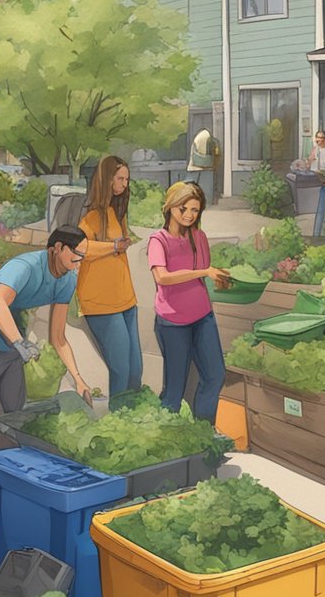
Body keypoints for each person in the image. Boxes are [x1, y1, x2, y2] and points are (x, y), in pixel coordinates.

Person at [0, 226, 92, 456]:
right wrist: (19, 342)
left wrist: (78, 379)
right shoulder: (24, 267)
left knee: (15, 410)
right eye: (77, 254)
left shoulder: (67, 280)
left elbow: (58, 337)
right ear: (58, 248)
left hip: (8, 339)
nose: (80, 261)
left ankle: (14, 463)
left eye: (84, 257)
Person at [147, 182, 230, 423]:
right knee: (174, 390)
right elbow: (162, 277)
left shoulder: (199, 237)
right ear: (170, 206)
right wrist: (204, 272)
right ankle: (166, 438)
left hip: (203, 317)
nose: (189, 215)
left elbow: (205, 275)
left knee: (215, 375)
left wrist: (220, 279)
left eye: (195, 210)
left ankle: (204, 430)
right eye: (183, 208)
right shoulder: (158, 240)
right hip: (172, 322)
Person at [77, 155, 142, 408]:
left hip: (126, 299)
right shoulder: (91, 217)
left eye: (127, 179)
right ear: (107, 179)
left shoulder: (117, 213)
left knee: (135, 370)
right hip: (101, 303)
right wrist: (112, 246)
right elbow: (81, 247)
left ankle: (133, 418)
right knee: (121, 369)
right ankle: (119, 420)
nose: (125, 184)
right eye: (120, 178)